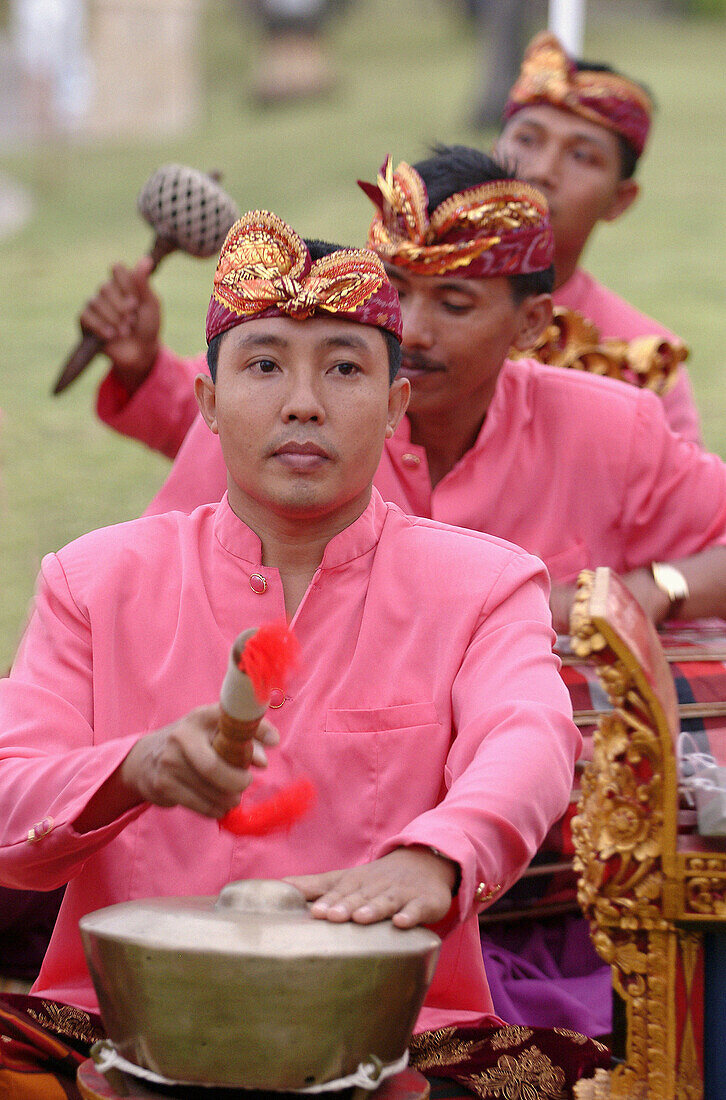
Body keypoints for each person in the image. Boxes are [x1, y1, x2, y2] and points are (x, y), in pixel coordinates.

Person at [0, 210, 580, 1034]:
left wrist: (444, 853)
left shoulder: (485, 584)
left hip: (395, 1033)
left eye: (343, 370)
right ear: (207, 400)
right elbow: (10, 800)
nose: (303, 404)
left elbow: (531, 740)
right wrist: (134, 768)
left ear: (393, 405)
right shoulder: (92, 583)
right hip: (122, 1021)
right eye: (264, 365)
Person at [89, 148, 726, 634]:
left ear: (531, 323)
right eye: (396, 287)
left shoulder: (609, 426)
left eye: (453, 303)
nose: (410, 329)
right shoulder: (303, 416)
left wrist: (649, 590)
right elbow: (150, 589)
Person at [495, 30, 701, 444]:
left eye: (581, 155)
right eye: (526, 139)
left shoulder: (644, 362)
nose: (540, 171)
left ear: (620, 201)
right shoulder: (402, 308)